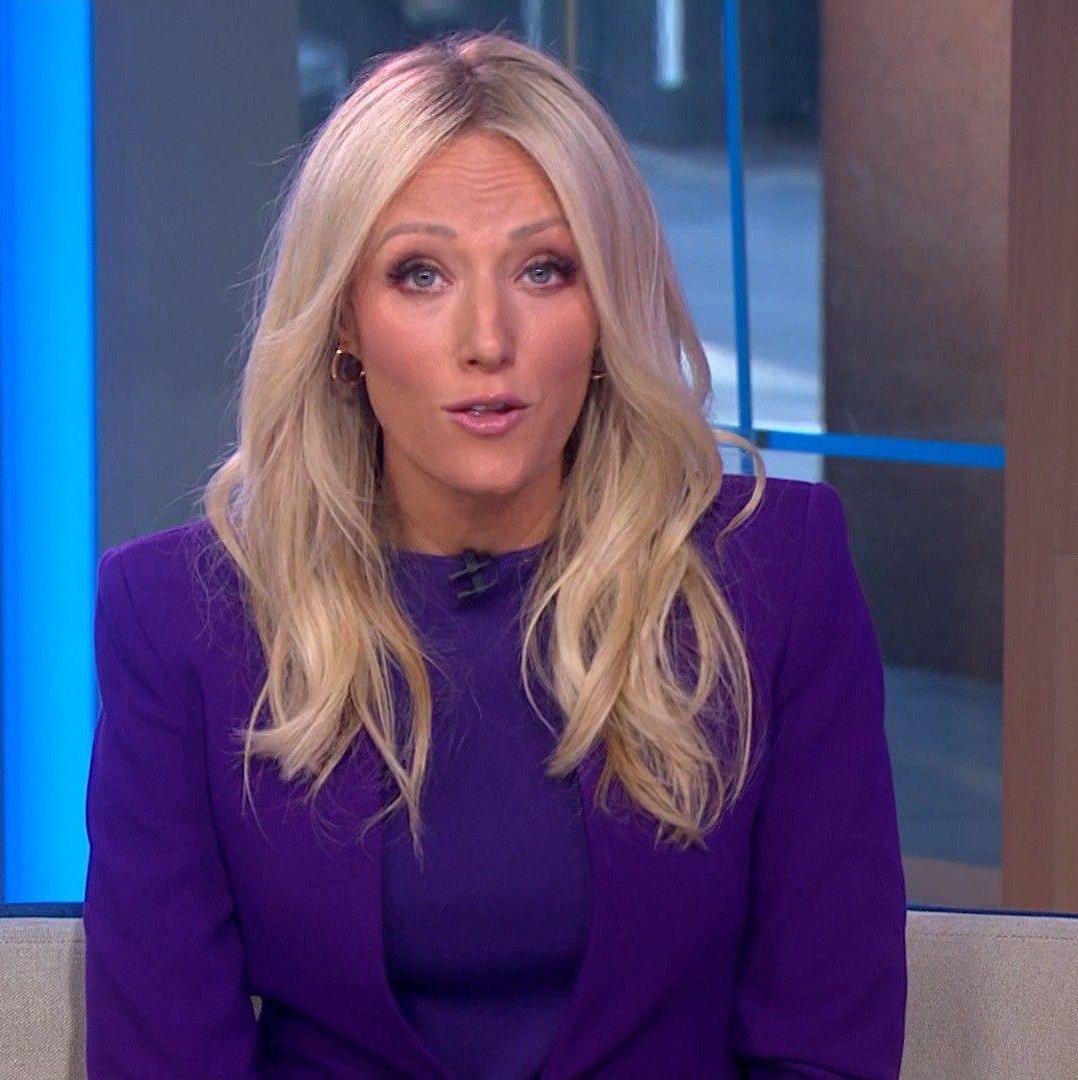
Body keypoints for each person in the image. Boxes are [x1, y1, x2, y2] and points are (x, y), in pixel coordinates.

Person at [83, 30, 906, 1079]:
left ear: (604, 308)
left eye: (544, 269)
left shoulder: (776, 577)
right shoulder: (180, 618)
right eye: (420, 274)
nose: (487, 338)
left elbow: (828, 1041)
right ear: (344, 324)